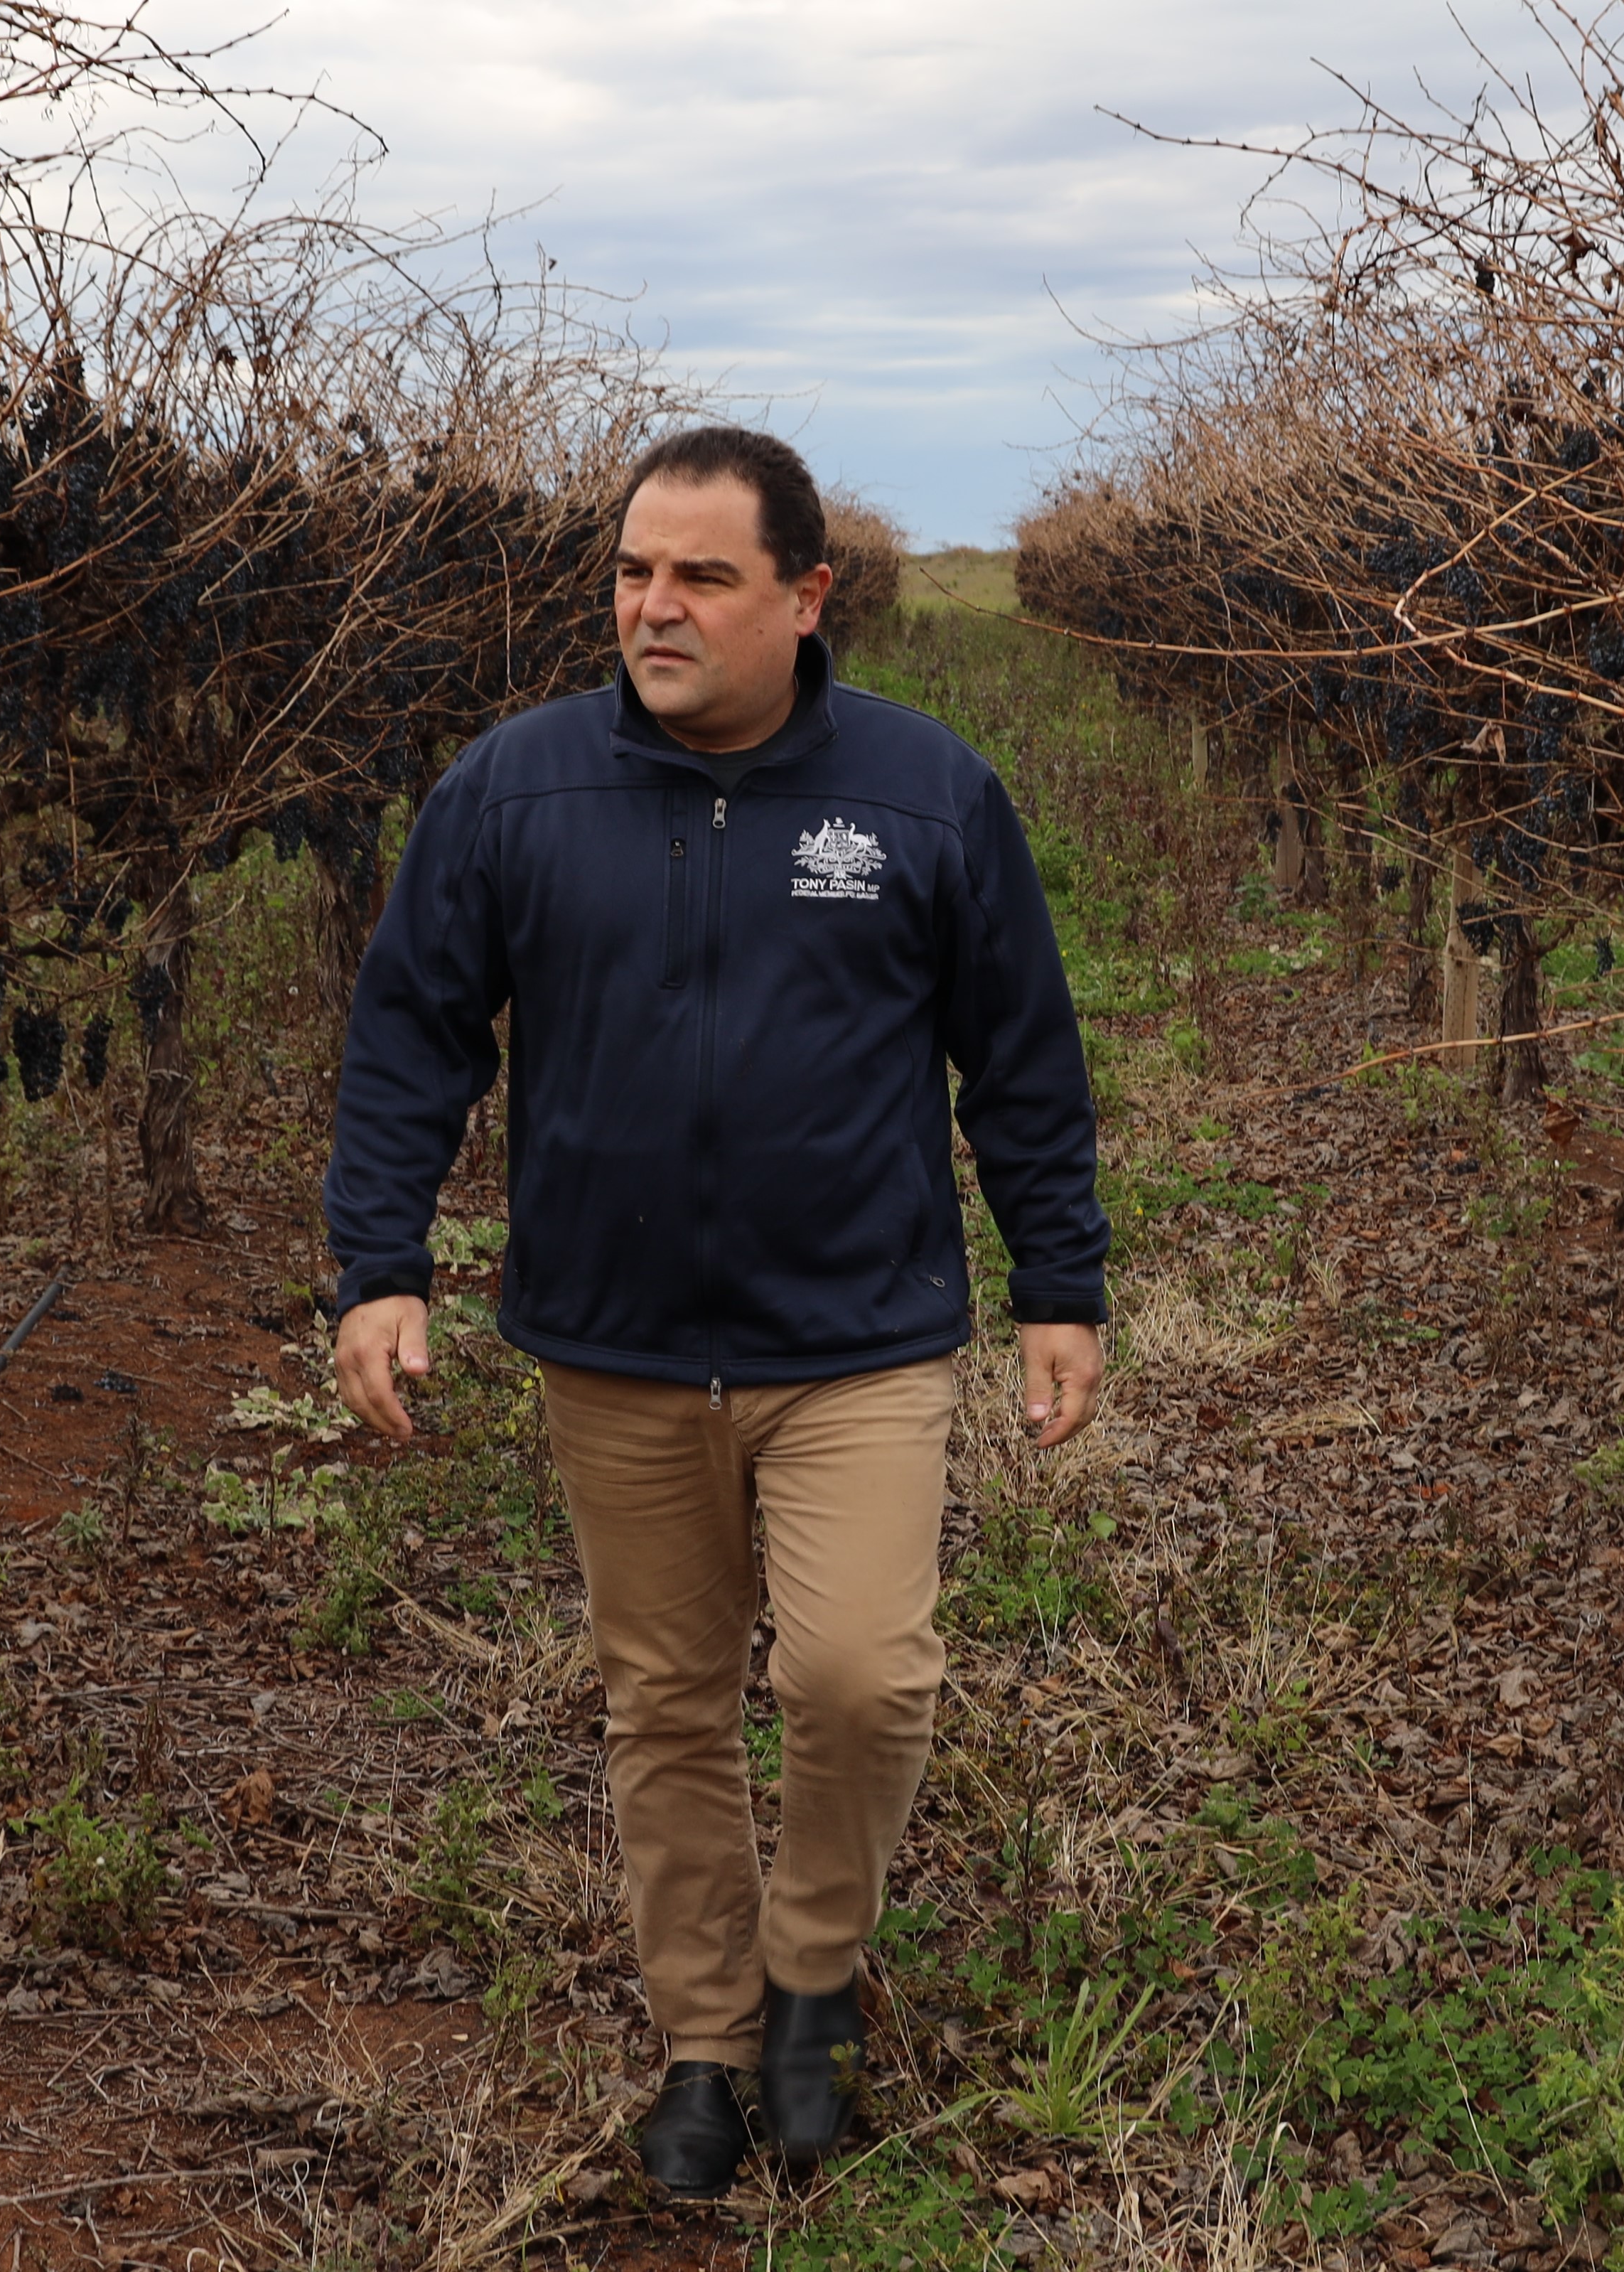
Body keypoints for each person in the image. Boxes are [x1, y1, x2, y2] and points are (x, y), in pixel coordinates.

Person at [323, 425, 1108, 2196]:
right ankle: (706, 2034)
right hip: (614, 1340)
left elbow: (1022, 1056)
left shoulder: (920, 793)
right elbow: (409, 1036)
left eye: (700, 576)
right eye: (630, 573)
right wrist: (379, 1264)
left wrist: (1057, 1281)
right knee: (666, 1698)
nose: (652, 608)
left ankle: (812, 1974)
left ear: (804, 596)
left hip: (855, 1334)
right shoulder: (514, 791)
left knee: (856, 1673)